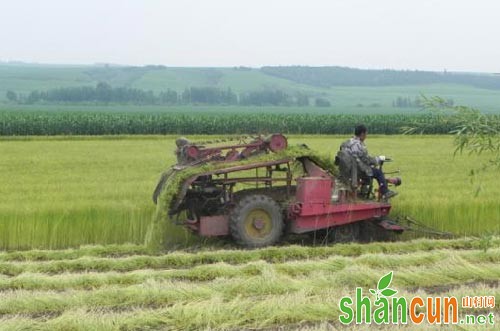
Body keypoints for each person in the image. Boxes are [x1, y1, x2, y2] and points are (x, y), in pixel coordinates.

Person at [339, 124, 397, 199]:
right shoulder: (358, 145)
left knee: (368, 175)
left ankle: (362, 194)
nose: (366, 136)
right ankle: (385, 192)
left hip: (346, 168)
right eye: (366, 134)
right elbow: (366, 160)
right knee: (378, 173)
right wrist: (378, 159)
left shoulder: (346, 143)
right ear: (362, 134)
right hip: (357, 169)